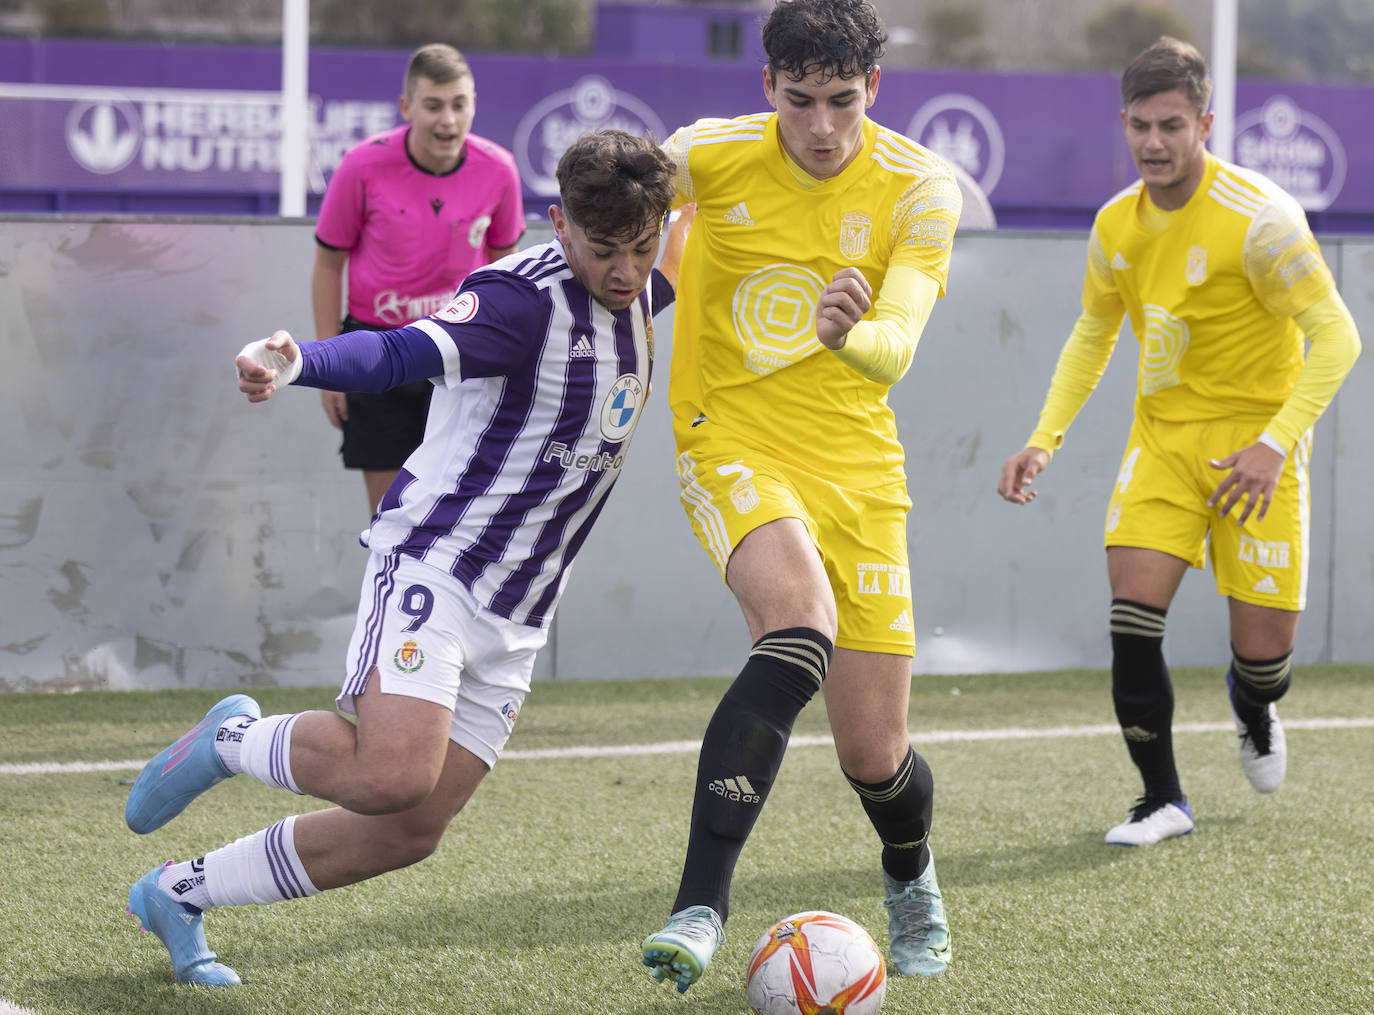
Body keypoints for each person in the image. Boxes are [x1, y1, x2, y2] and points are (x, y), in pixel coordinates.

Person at [122, 129, 687, 987]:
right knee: (390, 773)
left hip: (520, 610)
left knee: (408, 830)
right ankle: (228, 737)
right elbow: (396, 351)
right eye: (602, 249)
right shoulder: (515, 304)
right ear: (558, 226)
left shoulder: (649, 281)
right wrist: (298, 361)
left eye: (641, 248)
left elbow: (705, 197)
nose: (624, 271)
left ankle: (178, 892)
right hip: (439, 564)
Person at [639, 0, 962, 993]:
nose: (820, 127)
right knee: (798, 618)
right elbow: (610, 203)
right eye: (798, 100)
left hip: (859, 467)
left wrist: (849, 337)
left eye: (842, 102)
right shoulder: (707, 155)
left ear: (875, 89)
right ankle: (700, 902)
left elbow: (896, 342)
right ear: (766, 86)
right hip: (728, 435)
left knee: (876, 754)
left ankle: (910, 874)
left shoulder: (918, 185)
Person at [997, 37, 1361, 847]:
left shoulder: (1261, 221)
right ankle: (1162, 798)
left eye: (1170, 125)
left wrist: (1275, 443)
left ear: (1204, 121)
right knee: (1132, 616)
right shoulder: (1114, 226)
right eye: (1138, 125)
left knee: (1267, 658)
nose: (1153, 143)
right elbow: (1094, 334)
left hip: (1256, 453)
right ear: (1122, 123)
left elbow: (1338, 339)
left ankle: (1254, 700)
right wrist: (1043, 438)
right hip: (1161, 443)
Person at [313, 42, 525, 515]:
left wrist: (512, 360)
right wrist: (329, 367)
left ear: (474, 104)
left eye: (458, 104)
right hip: (376, 353)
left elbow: (505, 273)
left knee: (460, 513)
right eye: (433, 106)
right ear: (407, 107)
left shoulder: (500, 170)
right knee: (388, 516)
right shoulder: (361, 166)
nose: (447, 120)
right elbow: (328, 267)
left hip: (459, 353)